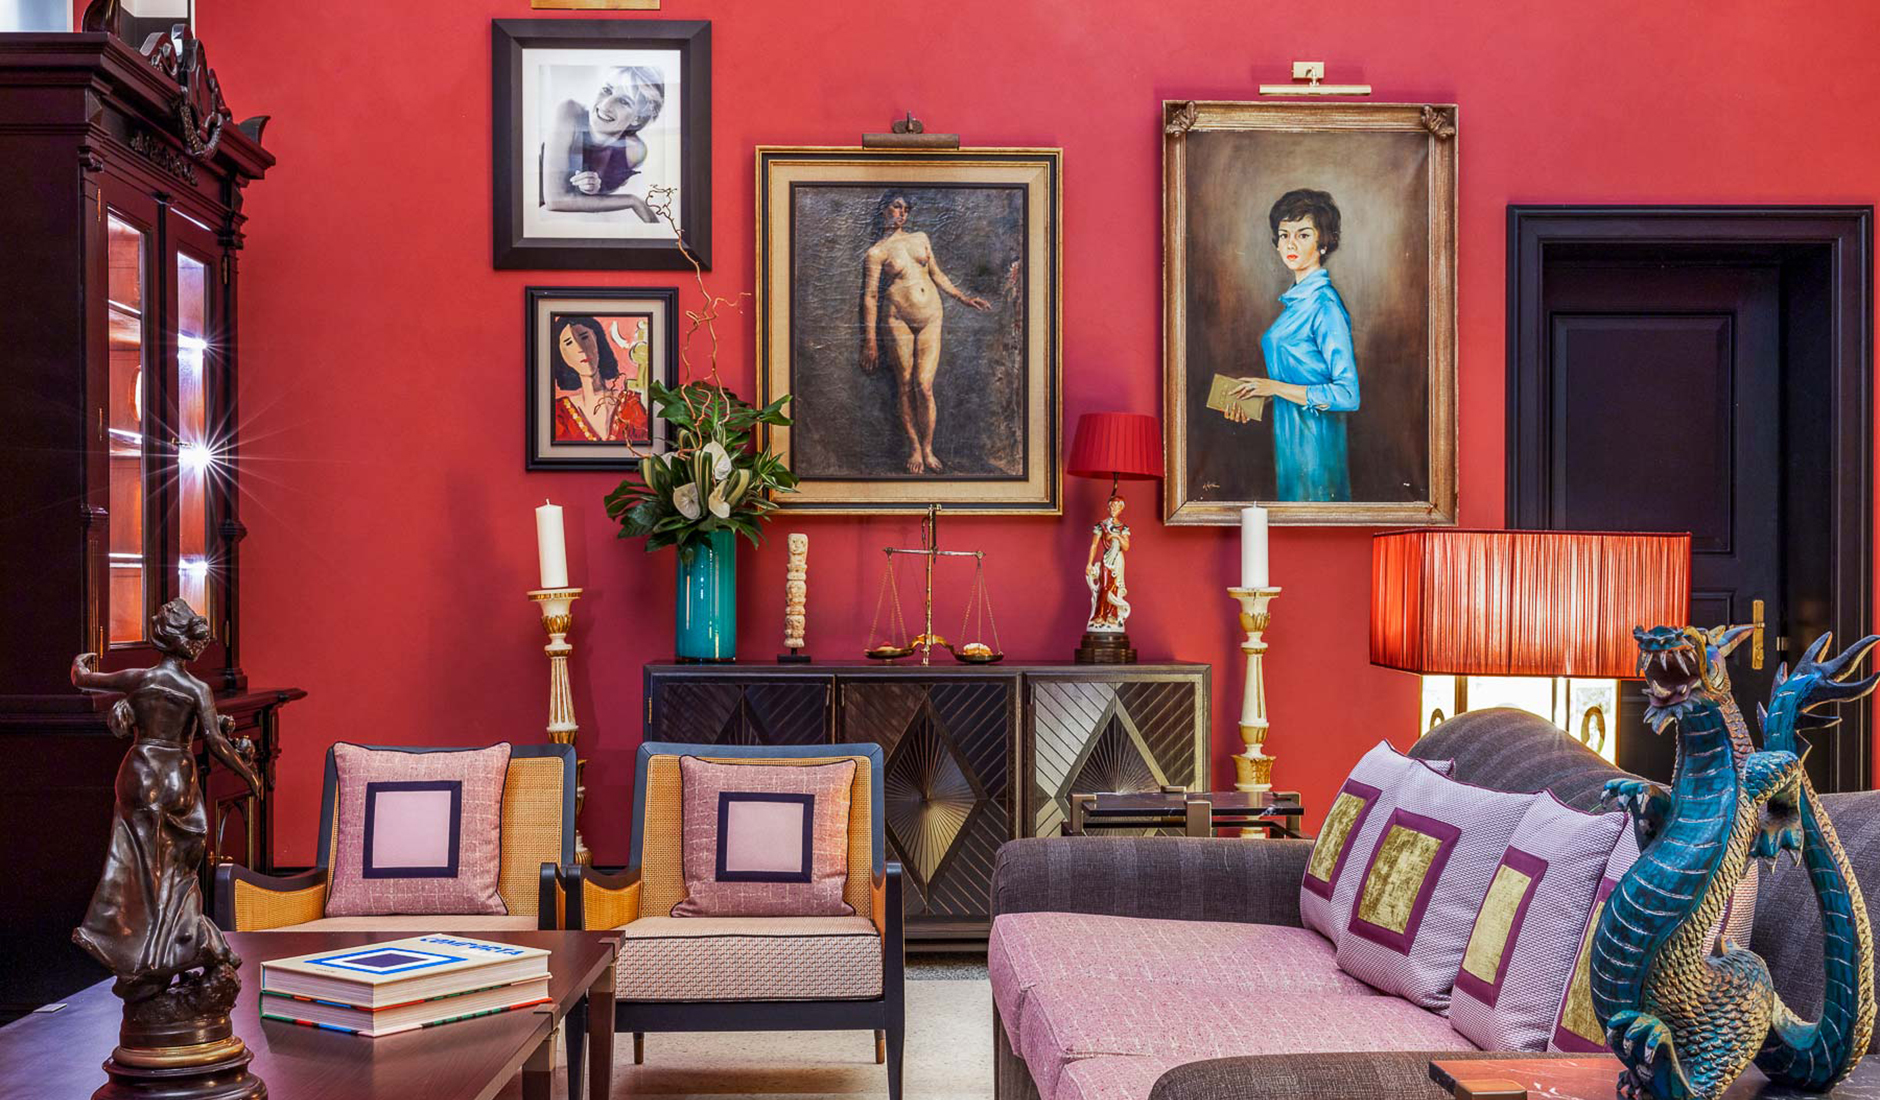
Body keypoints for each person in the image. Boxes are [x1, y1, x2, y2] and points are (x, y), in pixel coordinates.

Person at [70, 599, 260, 994]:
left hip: (137, 772)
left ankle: (137, 956)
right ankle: (166, 953)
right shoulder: (195, 689)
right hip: (174, 775)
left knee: (137, 868)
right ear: (187, 643)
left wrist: (81, 663)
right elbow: (216, 743)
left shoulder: (137, 678)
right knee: (177, 871)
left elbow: (82, 678)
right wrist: (249, 774)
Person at [1227, 188, 1360, 502]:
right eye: (1284, 235)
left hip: (1316, 450)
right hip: (1289, 444)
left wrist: (1272, 387)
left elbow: (1348, 394)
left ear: (1323, 242)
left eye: (1303, 235)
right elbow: (1301, 376)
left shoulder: (1324, 305)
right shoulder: (1296, 304)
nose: (1290, 244)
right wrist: (1257, 396)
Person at [860, 193, 993, 474]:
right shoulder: (876, 252)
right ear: (884, 210)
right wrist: (870, 341)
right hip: (897, 318)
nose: (902, 213)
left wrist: (963, 298)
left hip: (931, 315)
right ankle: (915, 448)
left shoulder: (920, 238)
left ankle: (929, 447)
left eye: (906, 209)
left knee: (924, 385)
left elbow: (937, 273)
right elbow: (870, 297)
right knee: (905, 384)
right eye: (897, 207)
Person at [542, 66, 665, 223]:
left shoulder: (634, 151)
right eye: (607, 90)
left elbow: (601, 193)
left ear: (637, 118)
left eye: (624, 101)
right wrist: (633, 201)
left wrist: (593, 190)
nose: (605, 105)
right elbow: (555, 200)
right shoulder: (569, 111)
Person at [551, 315, 649, 443]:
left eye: (584, 337)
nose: (580, 348)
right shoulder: (559, 413)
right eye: (569, 343)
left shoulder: (633, 403)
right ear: (562, 355)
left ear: (598, 339)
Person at [1084, 495, 1132, 631]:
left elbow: (1126, 547)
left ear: (1121, 509)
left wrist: (1116, 535)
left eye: (1116, 506)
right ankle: (1099, 614)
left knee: (1115, 587)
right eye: (1111, 506)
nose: (1113, 509)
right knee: (1104, 586)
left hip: (1118, 560)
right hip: (1107, 559)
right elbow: (1094, 545)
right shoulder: (1102, 526)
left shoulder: (1123, 528)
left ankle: (1112, 614)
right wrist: (1089, 563)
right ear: (1107, 508)